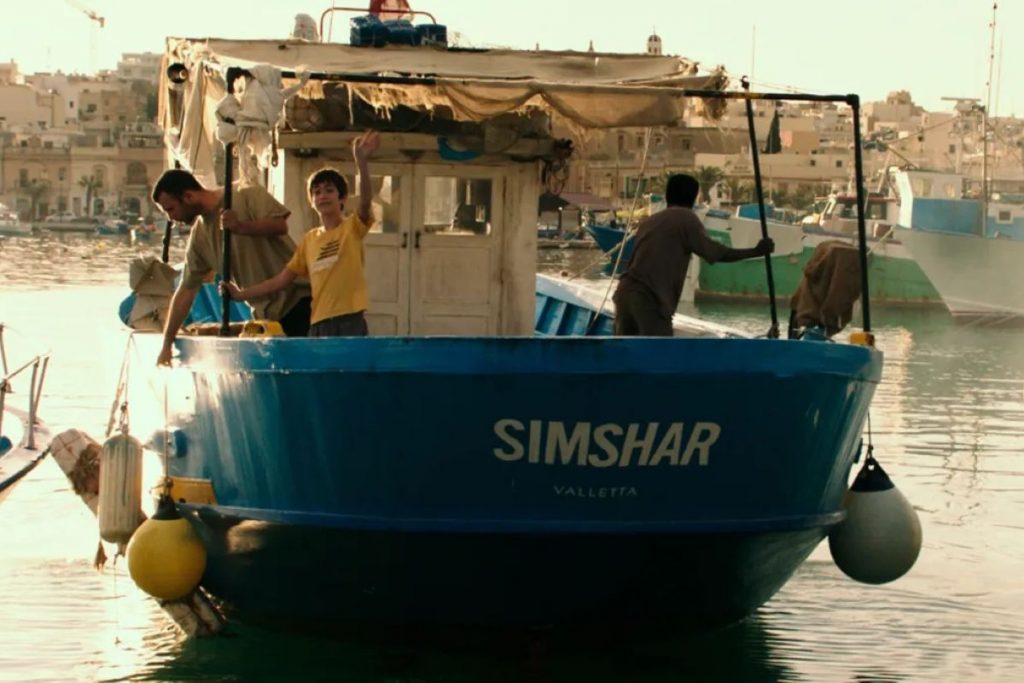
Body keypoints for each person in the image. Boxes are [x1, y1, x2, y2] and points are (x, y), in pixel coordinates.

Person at [222, 131, 379, 337]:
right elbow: (281, 280)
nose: (322, 196)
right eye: (317, 192)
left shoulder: (352, 228)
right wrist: (241, 294)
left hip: (349, 320)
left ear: (342, 198)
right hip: (318, 323)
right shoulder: (310, 239)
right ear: (312, 201)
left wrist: (362, 162)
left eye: (329, 190)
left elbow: (366, 202)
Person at [153, 169, 313, 365]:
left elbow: (280, 225)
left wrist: (241, 227)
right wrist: (167, 343)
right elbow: (186, 290)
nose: (171, 219)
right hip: (265, 318)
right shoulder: (199, 238)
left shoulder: (245, 193)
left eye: (170, 209)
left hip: (301, 301)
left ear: (188, 196)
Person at [613, 174, 774, 336]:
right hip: (649, 300)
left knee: (624, 355)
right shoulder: (686, 218)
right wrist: (756, 251)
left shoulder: (649, 222)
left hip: (624, 294)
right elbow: (715, 253)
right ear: (692, 197)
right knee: (659, 356)